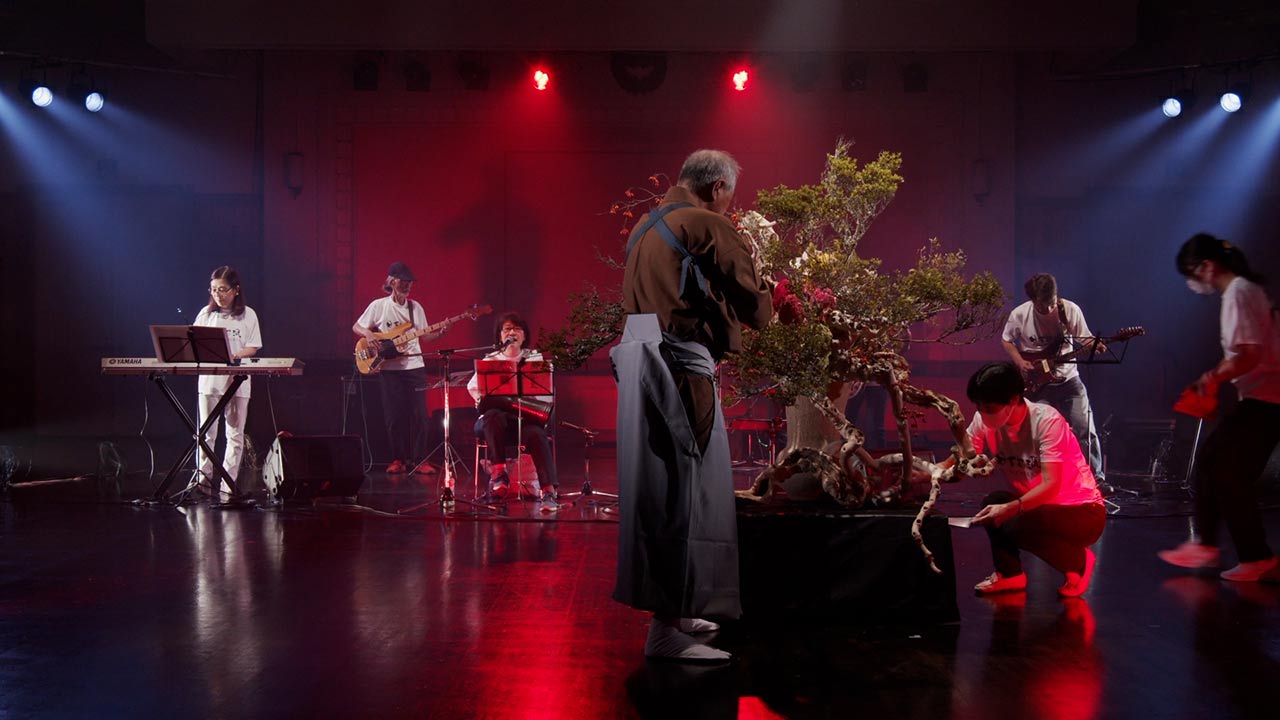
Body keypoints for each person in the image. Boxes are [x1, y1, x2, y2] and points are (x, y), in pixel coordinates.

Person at [612, 149, 773, 663]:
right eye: (730, 196)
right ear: (717, 187)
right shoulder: (704, 224)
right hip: (680, 369)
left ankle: (678, 612)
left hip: (644, 364)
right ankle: (665, 629)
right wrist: (772, 292)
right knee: (685, 492)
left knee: (663, 486)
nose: (729, 206)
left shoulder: (644, 228)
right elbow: (755, 309)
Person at [1158, 233, 1280, 582]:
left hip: (1267, 399)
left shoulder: (1238, 292)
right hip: (1264, 398)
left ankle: (1249, 555)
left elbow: (1250, 354)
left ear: (1207, 267)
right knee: (1217, 463)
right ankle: (1214, 546)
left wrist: (1212, 377)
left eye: (1191, 273)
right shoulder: (1245, 291)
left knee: (1221, 466)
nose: (1192, 282)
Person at [945, 361, 1106, 597]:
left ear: (1012, 400)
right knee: (994, 502)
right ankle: (1010, 574)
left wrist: (1010, 508)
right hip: (1038, 508)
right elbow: (962, 457)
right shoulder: (983, 420)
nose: (982, 412)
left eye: (988, 406)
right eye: (978, 406)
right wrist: (928, 472)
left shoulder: (1046, 420)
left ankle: (1079, 562)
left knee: (1013, 521)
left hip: (1083, 512)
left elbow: (1051, 486)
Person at [1001, 273, 1107, 486]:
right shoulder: (1020, 315)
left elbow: (1085, 338)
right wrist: (1020, 362)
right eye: (1043, 305)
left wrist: (1096, 346)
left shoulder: (1069, 310)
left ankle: (1096, 479)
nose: (1049, 308)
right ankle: (1040, 480)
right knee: (1037, 433)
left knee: (1085, 429)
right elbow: (1007, 340)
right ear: (1033, 300)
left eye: (1052, 302)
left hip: (1069, 380)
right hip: (1037, 384)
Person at [352, 262, 450, 475]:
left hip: (414, 366)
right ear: (392, 281)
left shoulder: (415, 308)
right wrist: (368, 333)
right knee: (394, 416)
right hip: (389, 368)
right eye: (404, 281)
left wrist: (441, 332)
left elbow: (426, 337)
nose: (407, 285)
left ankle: (420, 459)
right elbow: (357, 326)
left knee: (420, 415)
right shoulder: (379, 305)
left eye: (410, 282)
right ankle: (398, 459)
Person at [467, 312, 560, 512]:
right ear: (500, 336)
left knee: (536, 434)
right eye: (507, 329)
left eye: (517, 329)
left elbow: (545, 395)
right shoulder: (490, 359)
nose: (512, 333)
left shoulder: (534, 358)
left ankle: (548, 492)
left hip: (524, 420)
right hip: (495, 425)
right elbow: (473, 388)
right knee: (492, 415)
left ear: (524, 336)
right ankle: (499, 474)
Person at [194, 266, 262, 496]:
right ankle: (203, 482)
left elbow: (253, 346)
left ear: (236, 290)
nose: (218, 294)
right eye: (214, 290)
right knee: (206, 434)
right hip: (209, 382)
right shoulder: (206, 314)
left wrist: (234, 356)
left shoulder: (248, 314)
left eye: (223, 289)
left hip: (237, 381)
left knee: (234, 434)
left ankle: (228, 484)